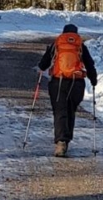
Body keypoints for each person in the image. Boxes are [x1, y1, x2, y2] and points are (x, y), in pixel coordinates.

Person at [37, 24, 99, 157]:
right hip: (77, 83)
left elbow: (43, 64)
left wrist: (43, 67)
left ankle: (61, 141)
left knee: (60, 111)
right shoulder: (80, 46)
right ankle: (66, 140)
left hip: (58, 82)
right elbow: (89, 64)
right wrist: (93, 80)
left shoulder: (57, 44)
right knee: (70, 111)